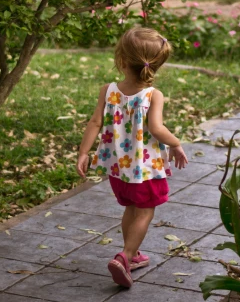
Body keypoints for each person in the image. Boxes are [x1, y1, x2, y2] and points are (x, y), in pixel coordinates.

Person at [76, 26, 188, 288]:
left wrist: (84, 153)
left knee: (130, 208)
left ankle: (133, 254)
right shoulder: (153, 95)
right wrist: (176, 144)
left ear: (122, 60)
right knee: (145, 211)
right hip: (144, 169)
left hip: (118, 168)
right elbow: (157, 128)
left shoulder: (108, 90)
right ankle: (125, 257)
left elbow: (94, 123)